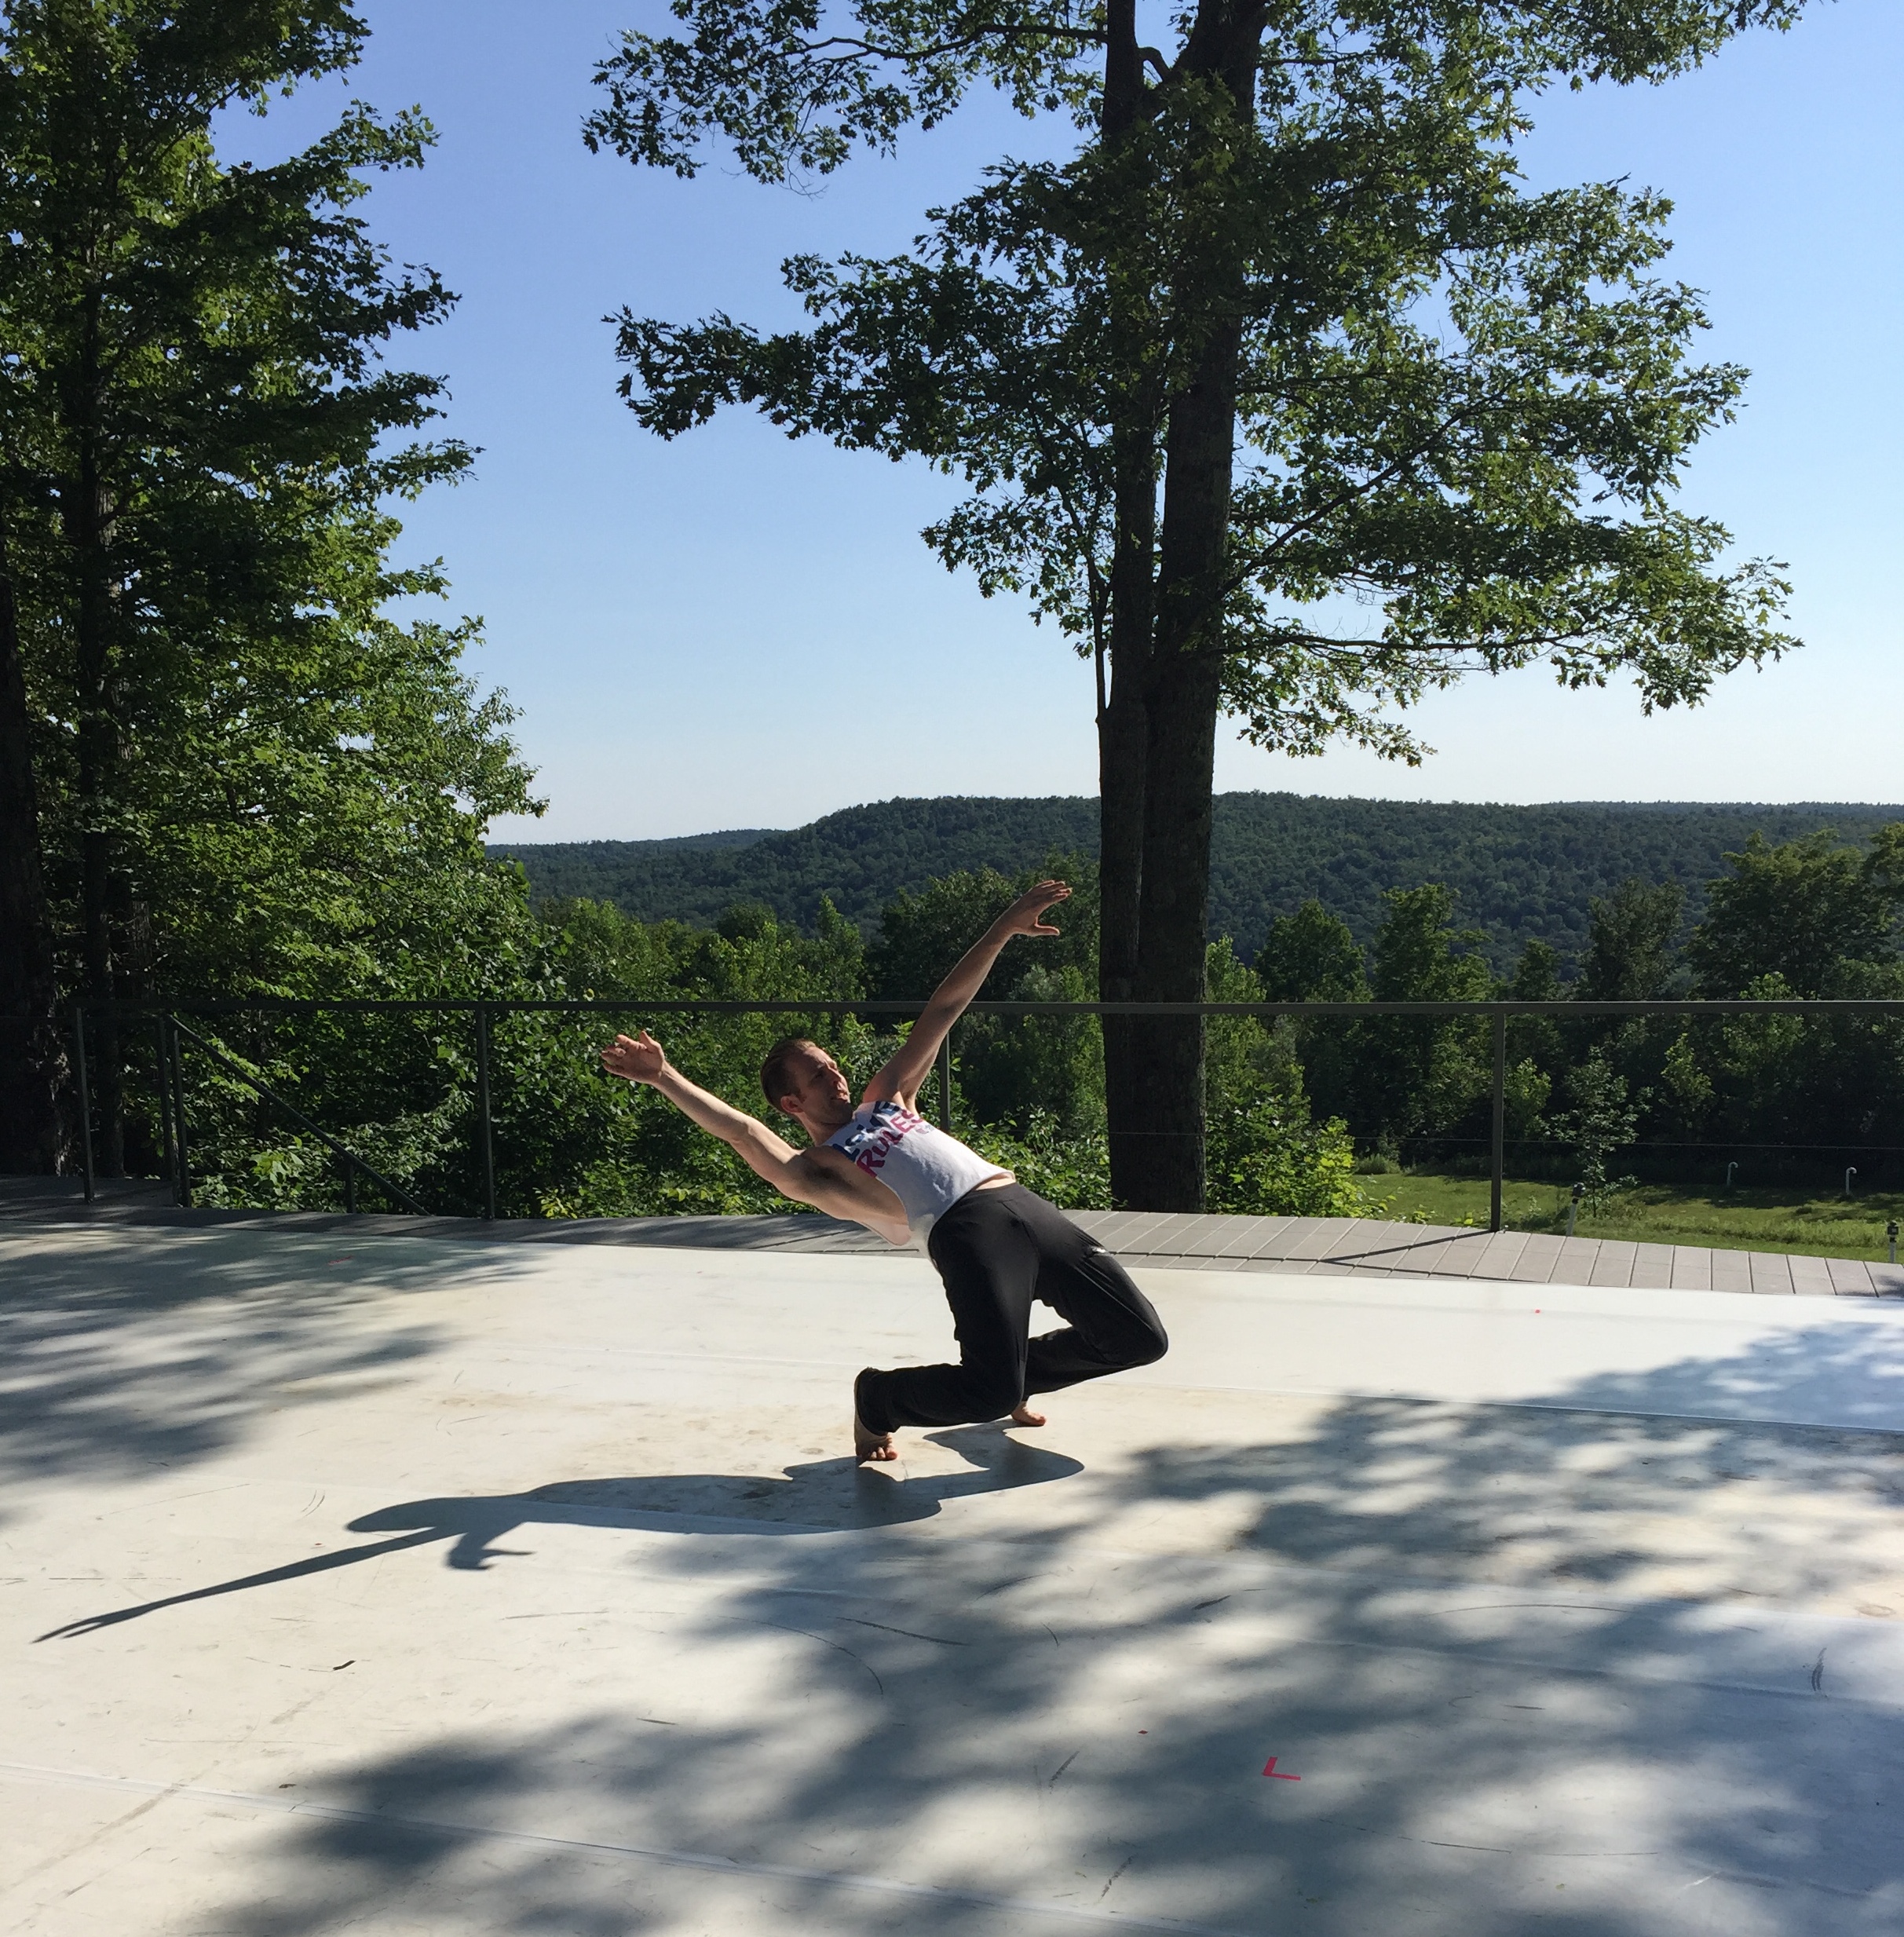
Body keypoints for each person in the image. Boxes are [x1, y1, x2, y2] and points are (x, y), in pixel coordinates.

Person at [599, 879, 1168, 1461]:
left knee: (1139, 1338)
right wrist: (664, 1077)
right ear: (791, 1104)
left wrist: (1003, 927)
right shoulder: (817, 1168)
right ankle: (879, 1397)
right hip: (965, 1231)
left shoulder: (887, 1098)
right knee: (986, 1391)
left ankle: (1023, 1371)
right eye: (817, 1074)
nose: (835, 1075)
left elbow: (944, 1008)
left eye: (830, 1063)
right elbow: (741, 1131)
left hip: (1020, 1202)